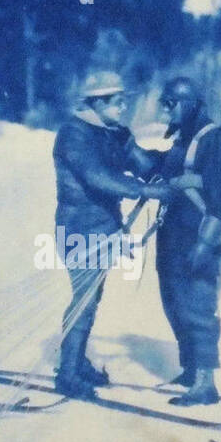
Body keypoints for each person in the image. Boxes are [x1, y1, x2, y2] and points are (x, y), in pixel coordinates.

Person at [52, 71, 174, 397]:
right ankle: (68, 373)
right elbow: (97, 177)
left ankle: (75, 364)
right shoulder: (73, 135)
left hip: (105, 230)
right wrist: (144, 191)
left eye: (125, 101)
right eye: (118, 102)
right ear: (98, 102)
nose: (124, 108)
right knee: (85, 299)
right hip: (78, 230)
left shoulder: (115, 134)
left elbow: (144, 163)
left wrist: (181, 157)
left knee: (91, 298)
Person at [143, 76, 221, 406]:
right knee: (173, 302)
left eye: (171, 104)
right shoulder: (183, 138)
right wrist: (128, 150)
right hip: (172, 235)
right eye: (164, 103)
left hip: (197, 236)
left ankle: (205, 382)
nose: (166, 110)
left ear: (188, 105)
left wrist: (206, 243)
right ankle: (190, 367)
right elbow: (162, 167)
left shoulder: (216, 139)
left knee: (197, 306)